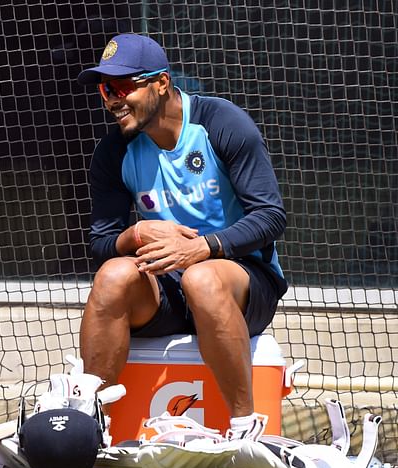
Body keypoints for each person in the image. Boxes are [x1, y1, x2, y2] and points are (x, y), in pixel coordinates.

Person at [76, 33, 288, 440]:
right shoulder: (114, 151)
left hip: (244, 281)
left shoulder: (220, 122)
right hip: (168, 286)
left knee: (202, 278)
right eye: (106, 89)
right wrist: (134, 233)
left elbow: (270, 216)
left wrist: (202, 248)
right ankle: (88, 423)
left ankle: (246, 428)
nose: (112, 99)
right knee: (114, 275)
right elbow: (102, 243)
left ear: (161, 82)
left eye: (122, 87)